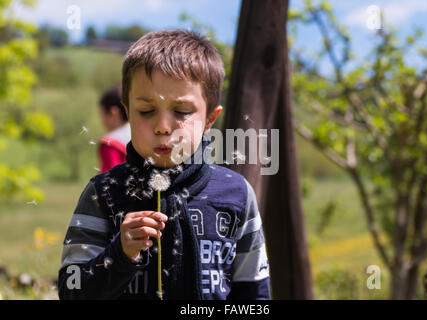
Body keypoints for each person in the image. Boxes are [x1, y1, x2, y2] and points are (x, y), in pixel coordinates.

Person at [58, 30, 270, 300]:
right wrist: (119, 255)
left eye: (181, 112)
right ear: (127, 112)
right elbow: (71, 291)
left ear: (209, 119)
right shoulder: (103, 194)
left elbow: (255, 297)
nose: (162, 127)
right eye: (146, 111)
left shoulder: (237, 194)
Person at [98, 84, 131, 173]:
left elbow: (109, 181)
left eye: (103, 116)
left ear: (114, 113)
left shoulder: (110, 143)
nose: (102, 122)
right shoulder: (144, 136)